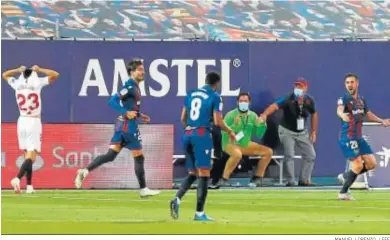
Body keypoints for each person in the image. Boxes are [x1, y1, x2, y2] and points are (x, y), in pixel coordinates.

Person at [74, 58, 160, 198]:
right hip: (128, 127)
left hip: (122, 125)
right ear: (132, 72)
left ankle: (84, 171)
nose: (143, 72)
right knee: (139, 157)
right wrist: (126, 113)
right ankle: (143, 189)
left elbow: (129, 107)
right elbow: (112, 101)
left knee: (110, 155)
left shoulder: (135, 87)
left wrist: (139, 114)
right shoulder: (130, 86)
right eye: (140, 70)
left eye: (143, 70)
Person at [170, 72, 235, 221]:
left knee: (193, 172)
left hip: (187, 134)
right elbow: (218, 121)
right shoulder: (215, 96)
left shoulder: (191, 93)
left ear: (205, 81)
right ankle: (199, 213)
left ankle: (177, 198)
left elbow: (182, 118)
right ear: (217, 84)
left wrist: (191, 129)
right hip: (201, 134)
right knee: (204, 173)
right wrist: (230, 130)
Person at [3, 65, 60, 194]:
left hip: (21, 120)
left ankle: (29, 186)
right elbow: (55, 74)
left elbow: (5, 75)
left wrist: (17, 70)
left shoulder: (17, 84)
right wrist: (39, 69)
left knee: (27, 155)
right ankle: (17, 179)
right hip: (33, 121)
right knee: (32, 157)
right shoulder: (37, 83)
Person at [337, 73, 390, 200]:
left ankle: (346, 176)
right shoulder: (344, 98)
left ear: (357, 83)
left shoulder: (361, 100)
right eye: (347, 83)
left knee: (371, 164)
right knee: (358, 165)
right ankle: (343, 193)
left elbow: (369, 114)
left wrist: (382, 121)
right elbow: (339, 109)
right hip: (348, 137)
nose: (349, 85)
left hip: (359, 137)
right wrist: (342, 115)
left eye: (352, 82)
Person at [260, 78, 318, 186]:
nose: (298, 89)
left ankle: (304, 180)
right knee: (289, 154)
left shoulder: (309, 100)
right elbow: (274, 106)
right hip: (286, 130)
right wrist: (264, 115)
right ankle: (290, 181)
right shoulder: (288, 98)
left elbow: (314, 114)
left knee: (311, 155)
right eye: (296, 86)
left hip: (302, 132)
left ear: (306, 88)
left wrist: (314, 131)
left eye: (300, 87)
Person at [217, 92, 272, 188]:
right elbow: (223, 132)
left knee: (268, 152)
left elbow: (259, 135)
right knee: (237, 154)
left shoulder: (253, 115)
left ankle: (257, 177)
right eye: (241, 101)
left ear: (249, 102)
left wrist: (263, 124)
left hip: (245, 144)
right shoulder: (231, 115)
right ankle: (224, 179)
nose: (243, 103)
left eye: (245, 101)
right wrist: (234, 125)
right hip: (229, 143)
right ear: (237, 102)